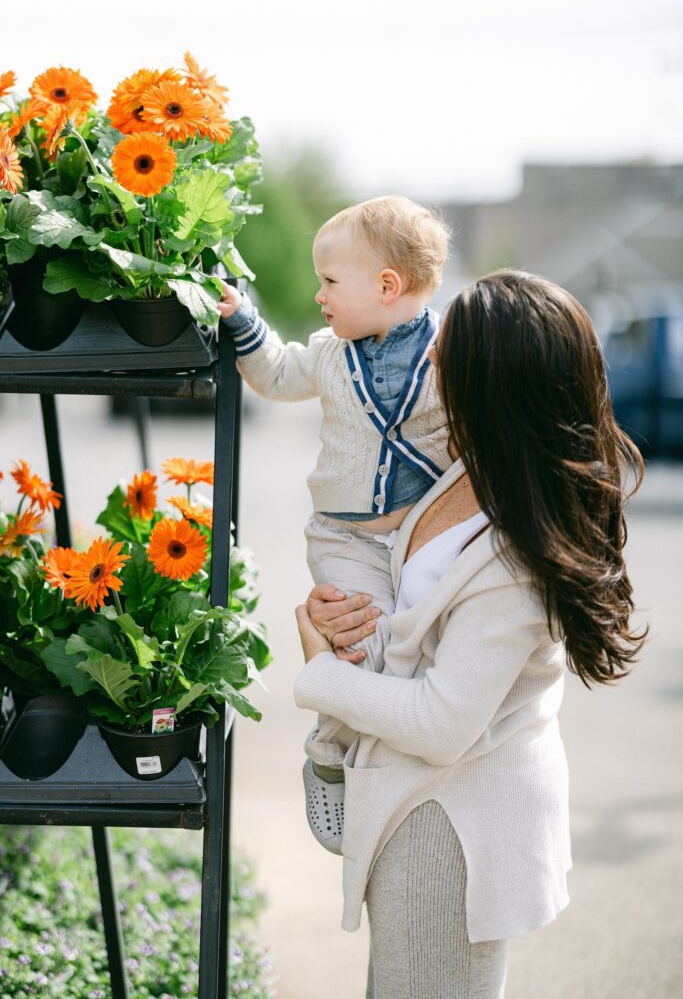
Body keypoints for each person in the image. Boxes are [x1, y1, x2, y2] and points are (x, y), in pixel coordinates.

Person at [293, 269, 647, 999]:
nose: (424, 360)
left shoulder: (521, 552)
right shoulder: (466, 465)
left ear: (490, 382)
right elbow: (413, 616)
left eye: (444, 352)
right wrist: (344, 622)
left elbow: (443, 722)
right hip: (420, 805)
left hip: (456, 831)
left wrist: (319, 671)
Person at [217, 195, 451, 852]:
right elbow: (274, 373)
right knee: (355, 643)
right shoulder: (327, 353)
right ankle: (330, 748)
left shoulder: (450, 355)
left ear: (386, 286)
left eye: (328, 281)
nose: (318, 294)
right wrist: (243, 323)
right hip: (345, 537)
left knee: (417, 656)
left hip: (420, 538)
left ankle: (393, 769)